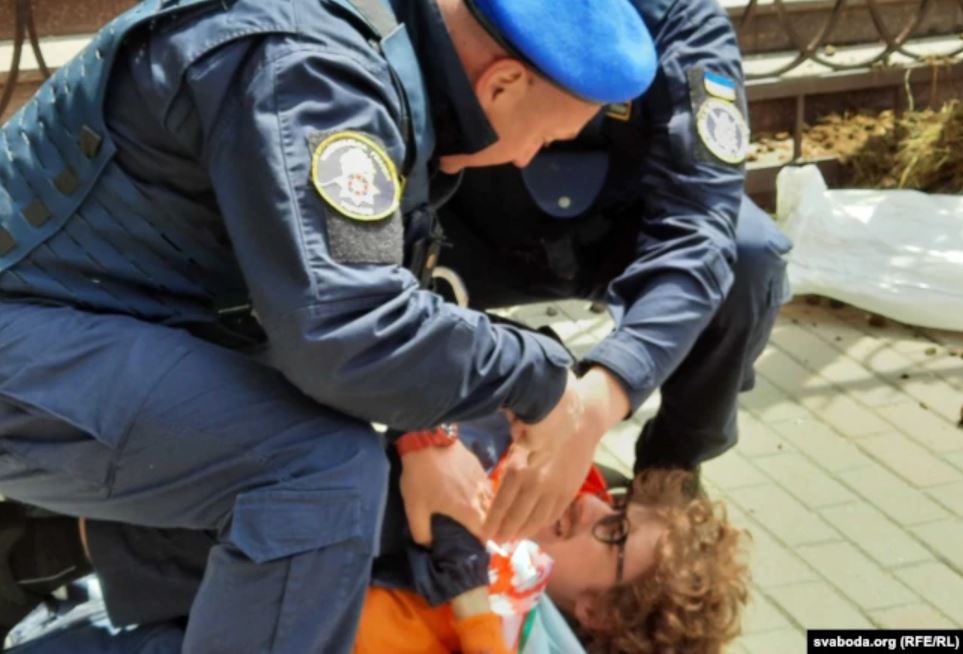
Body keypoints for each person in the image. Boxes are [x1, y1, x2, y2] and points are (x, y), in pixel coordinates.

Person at [0, 0, 659, 650]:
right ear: (503, 83)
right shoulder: (314, 75)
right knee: (317, 473)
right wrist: (543, 380)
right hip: (30, 322)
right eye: (544, 139)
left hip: (74, 320)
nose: (524, 160)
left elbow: (354, 304)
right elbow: (350, 334)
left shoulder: (376, 54)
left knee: (326, 462)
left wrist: (428, 434)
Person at [3, 417, 749, 654]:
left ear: (601, 614)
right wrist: (438, 437)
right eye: (615, 504)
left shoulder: (504, 626)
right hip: (123, 496)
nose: (588, 509)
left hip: (99, 562)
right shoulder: (536, 496)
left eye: (612, 533)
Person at [433, 0, 795, 478]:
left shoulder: (682, 19)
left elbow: (700, 222)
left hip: (620, 234)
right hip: (466, 230)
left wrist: (606, 393)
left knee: (745, 255)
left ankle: (669, 474)